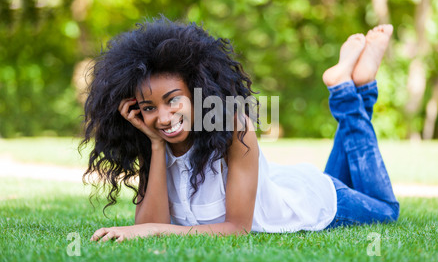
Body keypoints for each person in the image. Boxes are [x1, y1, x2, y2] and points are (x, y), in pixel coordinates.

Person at [81, 17, 399, 242]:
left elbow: (236, 228)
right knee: (352, 171)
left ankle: (346, 90)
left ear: (198, 92)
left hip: (316, 203)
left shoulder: (233, 126)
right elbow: (149, 223)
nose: (162, 117)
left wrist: (155, 232)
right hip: (292, 184)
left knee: (386, 211)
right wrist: (154, 147)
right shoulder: (156, 140)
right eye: (149, 107)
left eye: (173, 100)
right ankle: (360, 86)